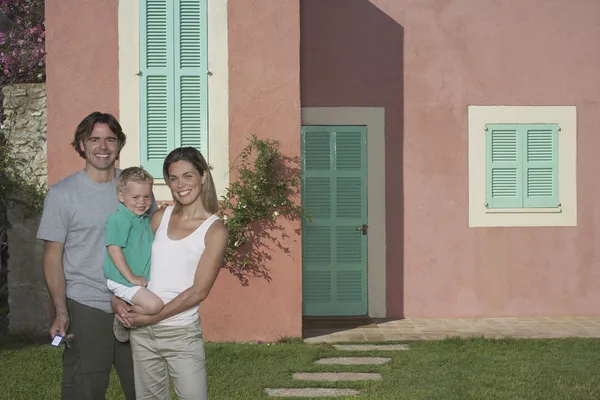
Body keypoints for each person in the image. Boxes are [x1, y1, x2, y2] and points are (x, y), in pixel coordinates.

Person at [112, 147, 228, 400]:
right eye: (173, 178)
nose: (180, 185)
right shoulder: (158, 217)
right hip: (142, 333)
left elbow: (199, 291)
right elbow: (132, 263)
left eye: (188, 176)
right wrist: (117, 298)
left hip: (181, 334)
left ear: (203, 177)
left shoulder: (214, 230)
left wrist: (155, 317)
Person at [37, 112, 137, 400]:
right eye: (94, 139)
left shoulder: (136, 189)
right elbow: (52, 257)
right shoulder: (62, 194)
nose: (102, 147)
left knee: (145, 389)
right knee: (84, 391)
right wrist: (61, 309)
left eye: (110, 139)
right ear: (81, 144)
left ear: (119, 145)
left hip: (133, 307)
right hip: (86, 306)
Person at [104, 166, 164, 342]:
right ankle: (124, 318)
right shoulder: (118, 219)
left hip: (139, 281)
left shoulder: (144, 219)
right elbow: (113, 249)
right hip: (124, 280)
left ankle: (128, 312)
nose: (142, 202)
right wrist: (131, 278)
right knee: (155, 305)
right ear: (121, 197)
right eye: (135, 197)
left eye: (147, 196)